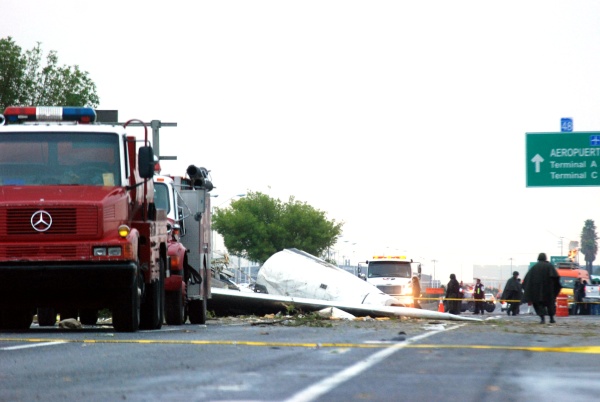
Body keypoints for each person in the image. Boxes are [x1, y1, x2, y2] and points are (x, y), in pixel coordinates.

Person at [523, 252, 562, 324]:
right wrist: (555, 288)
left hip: (537, 291)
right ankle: (551, 318)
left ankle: (542, 319)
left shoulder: (534, 268)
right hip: (549, 291)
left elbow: (527, 280)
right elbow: (556, 278)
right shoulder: (550, 266)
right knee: (550, 304)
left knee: (539, 305)